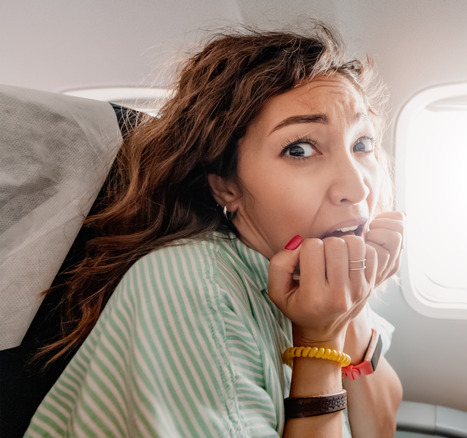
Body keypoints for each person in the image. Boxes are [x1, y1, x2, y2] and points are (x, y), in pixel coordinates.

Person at [24, 24, 404, 437]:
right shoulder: (189, 284)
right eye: (299, 149)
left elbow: (379, 429)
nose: (358, 187)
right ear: (226, 185)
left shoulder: (309, 275)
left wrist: (352, 305)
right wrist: (320, 343)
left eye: (362, 144)